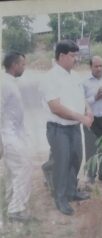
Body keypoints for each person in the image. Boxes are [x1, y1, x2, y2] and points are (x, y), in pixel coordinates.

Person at [39, 40, 92, 216]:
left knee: (76, 159)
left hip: (74, 127)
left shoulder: (74, 76)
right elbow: (56, 108)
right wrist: (82, 118)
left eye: (77, 55)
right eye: (72, 55)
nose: (76, 59)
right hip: (58, 128)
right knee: (62, 163)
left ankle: (71, 191)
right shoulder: (50, 78)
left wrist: (88, 110)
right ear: (61, 56)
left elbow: (81, 98)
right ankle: (60, 198)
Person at [0, 51, 32, 222]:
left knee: (13, 170)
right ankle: (16, 210)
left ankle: (9, 203)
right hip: (8, 135)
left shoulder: (10, 82)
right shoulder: (4, 84)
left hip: (14, 134)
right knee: (24, 168)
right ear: (14, 65)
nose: (24, 67)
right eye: (22, 64)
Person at [83, 56, 102, 185]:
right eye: (96, 66)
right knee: (90, 148)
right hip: (91, 119)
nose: (99, 68)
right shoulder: (84, 82)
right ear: (91, 67)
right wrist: (95, 97)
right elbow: (81, 101)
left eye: (101, 66)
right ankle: (90, 175)